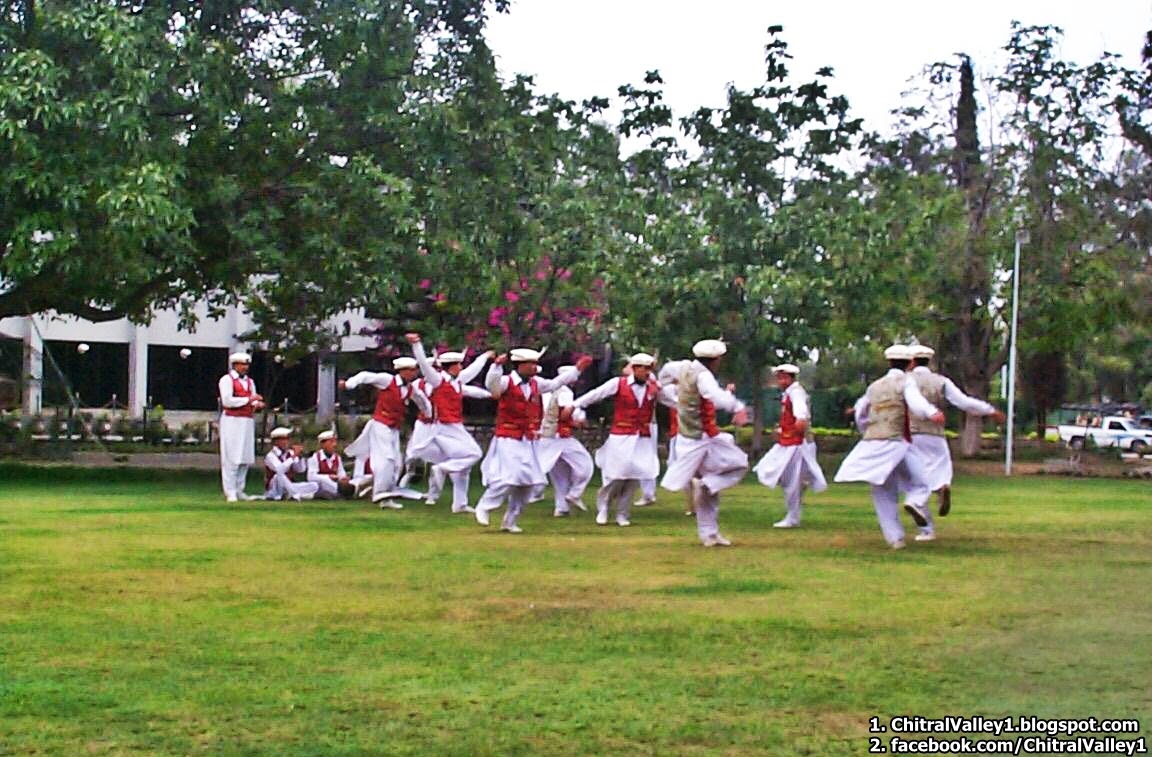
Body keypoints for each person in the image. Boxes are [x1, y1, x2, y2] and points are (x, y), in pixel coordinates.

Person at [833, 345, 946, 549]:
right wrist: (931, 412)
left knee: (883, 492)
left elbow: (861, 412)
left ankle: (895, 538)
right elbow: (915, 402)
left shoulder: (875, 386)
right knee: (922, 481)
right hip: (899, 442)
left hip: (875, 443)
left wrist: (867, 432)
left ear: (889, 362)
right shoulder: (906, 381)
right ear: (910, 364)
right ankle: (914, 502)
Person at [474, 349, 592, 533]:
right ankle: (485, 506)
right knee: (510, 477)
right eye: (531, 363)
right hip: (508, 437)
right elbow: (492, 386)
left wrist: (577, 370)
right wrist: (496, 367)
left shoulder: (537, 383)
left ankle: (510, 520)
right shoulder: (506, 382)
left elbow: (555, 383)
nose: (534, 367)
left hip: (528, 439)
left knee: (530, 482)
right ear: (520, 365)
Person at [659, 340, 750, 547]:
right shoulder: (703, 376)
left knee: (713, 486)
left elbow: (664, 373)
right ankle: (708, 485)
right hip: (700, 439)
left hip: (694, 438)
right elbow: (715, 396)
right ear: (716, 360)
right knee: (740, 464)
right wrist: (738, 407)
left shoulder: (683, 367)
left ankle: (709, 533)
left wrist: (669, 395)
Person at [906, 344, 1005, 529]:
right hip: (934, 434)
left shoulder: (905, 380)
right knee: (940, 469)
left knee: (916, 477)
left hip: (910, 433)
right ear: (929, 361)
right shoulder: (941, 381)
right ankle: (941, 487)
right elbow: (964, 402)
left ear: (911, 362)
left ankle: (922, 518)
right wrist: (990, 410)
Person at [571, 353, 673, 527]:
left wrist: (691, 408)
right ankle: (604, 506)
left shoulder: (653, 387)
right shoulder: (618, 383)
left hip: (642, 437)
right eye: (644, 368)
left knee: (634, 476)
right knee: (617, 475)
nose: (647, 372)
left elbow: (672, 401)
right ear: (635, 369)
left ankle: (622, 513)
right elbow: (596, 394)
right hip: (621, 435)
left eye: (649, 369)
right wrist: (575, 405)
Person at [405, 333, 494, 513]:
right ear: (451, 367)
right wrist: (417, 345)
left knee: (463, 467)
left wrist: (485, 357)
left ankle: (460, 504)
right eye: (459, 365)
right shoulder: (438, 380)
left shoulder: (457, 381)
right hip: (445, 427)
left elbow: (473, 374)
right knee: (475, 453)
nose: (461, 367)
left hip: (454, 426)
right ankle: (442, 469)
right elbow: (423, 365)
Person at [340, 356, 422, 509]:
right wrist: (349, 384)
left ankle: (387, 496)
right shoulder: (387, 380)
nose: (414, 373)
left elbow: (421, 400)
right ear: (402, 371)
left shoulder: (410, 388)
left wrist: (430, 413)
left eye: (414, 370)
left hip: (394, 427)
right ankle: (379, 492)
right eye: (411, 370)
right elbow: (365, 376)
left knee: (397, 462)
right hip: (380, 424)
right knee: (386, 458)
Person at [752, 363, 828, 528]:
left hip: (796, 443)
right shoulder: (789, 393)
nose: (780, 381)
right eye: (779, 377)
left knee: (791, 480)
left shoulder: (796, 393)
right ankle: (795, 509)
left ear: (790, 378)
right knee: (782, 475)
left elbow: (801, 417)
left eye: (783, 377)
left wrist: (793, 432)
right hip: (790, 442)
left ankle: (793, 516)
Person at [537, 373, 594, 517]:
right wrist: (576, 422)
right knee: (585, 466)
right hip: (560, 437)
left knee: (560, 474)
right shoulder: (565, 392)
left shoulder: (546, 392)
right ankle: (575, 494)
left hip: (546, 436)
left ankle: (561, 508)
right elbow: (563, 415)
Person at [218, 351, 264, 502]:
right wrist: (248, 400)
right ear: (235, 365)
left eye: (247, 364)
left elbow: (252, 399)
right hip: (232, 421)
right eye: (243, 364)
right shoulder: (227, 380)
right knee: (232, 456)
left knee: (245, 457)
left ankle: (239, 490)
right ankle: (230, 491)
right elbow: (227, 401)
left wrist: (257, 403)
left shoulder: (250, 382)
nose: (245, 367)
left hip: (247, 420)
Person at [263, 427, 320, 501]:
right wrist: (293, 457)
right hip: (275, 487)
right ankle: (296, 495)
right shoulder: (271, 455)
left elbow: (301, 470)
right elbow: (280, 470)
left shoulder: (290, 453)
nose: (287, 442)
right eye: (284, 439)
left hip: (289, 485)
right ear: (275, 441)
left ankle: (293, 494)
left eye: (287, 439)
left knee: (314, 485)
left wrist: (300, 457)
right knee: (278, 476)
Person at [307, 430, 355, 499]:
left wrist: (343, 478)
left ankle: (345, 491)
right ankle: (341, 492)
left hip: (336, 483)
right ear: (322, 444)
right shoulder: (315, 458)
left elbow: (341, 472)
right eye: (331, 442)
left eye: (335, 441)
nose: (334, 444)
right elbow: (311, 477)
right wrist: (328, 477)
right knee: (322, 482)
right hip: (322, 485)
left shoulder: (337, 458)